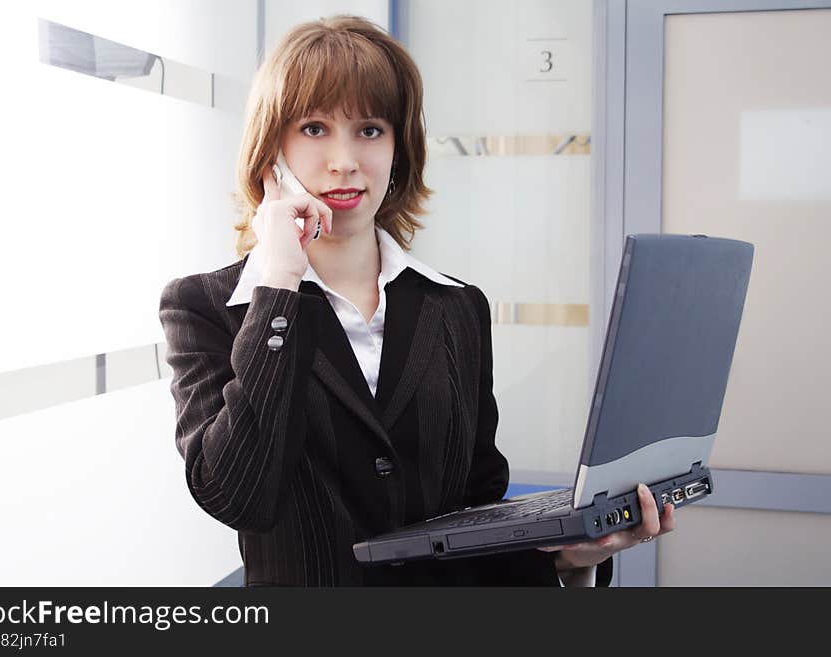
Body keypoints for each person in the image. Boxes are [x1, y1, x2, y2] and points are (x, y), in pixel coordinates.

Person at [158, 15, 674, 587]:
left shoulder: (457, 308)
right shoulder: (208, 307)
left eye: (370, 130)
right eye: (313, 128)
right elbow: (237, 495)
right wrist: (279, 279)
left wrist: (567, 558)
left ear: (400, 147)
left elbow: (478, 514)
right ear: (270, 150)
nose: (344, 160)